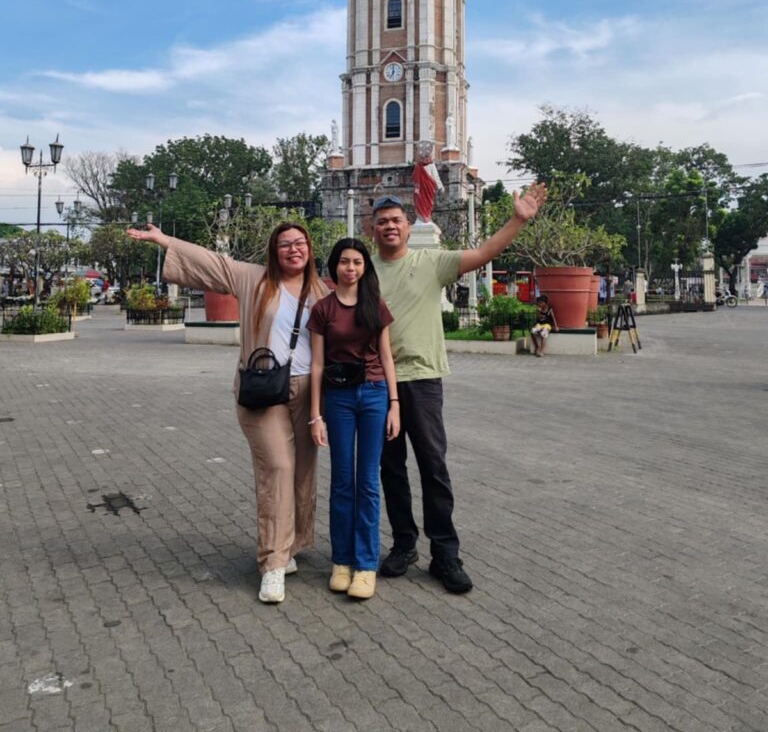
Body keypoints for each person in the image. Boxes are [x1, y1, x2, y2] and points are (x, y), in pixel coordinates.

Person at [126, 220, 328, 605]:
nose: (293, 249)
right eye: (285, 244)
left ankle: (289, 547)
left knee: (302, 471)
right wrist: (164, 239)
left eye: (300, 243)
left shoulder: (322, 291)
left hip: (308, 394)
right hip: (262, 390)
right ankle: (272, 563)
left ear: (309, 249)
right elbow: (211, 262)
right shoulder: (254, 279)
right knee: (279, 469)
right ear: (274, 250)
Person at [370, 181, 547, 593]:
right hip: (379, 383)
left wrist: (517, 220)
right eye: (382, 222)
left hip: (424, 380)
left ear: (408, 225)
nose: (390, 227)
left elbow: (484, 253)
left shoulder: (432, 261)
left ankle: (445, 554)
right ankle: (403, 544)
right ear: (372, 229)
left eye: (396, 220)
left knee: (433, 467)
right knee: (390, 469)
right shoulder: (364, 270)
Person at [307, 238, 400, 600]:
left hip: (375, 395)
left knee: (368, 483)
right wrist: (316, 415)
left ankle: (365, 565)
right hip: (339, 399)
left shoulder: (375, 306)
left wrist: (395, 403)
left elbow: (388, 358)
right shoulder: (323, 309)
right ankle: (342, 561)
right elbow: (316, 364)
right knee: (343, 481)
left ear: (365, 268)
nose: (351, 268)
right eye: (345, 262)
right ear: (335, 267)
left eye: (357, 262)